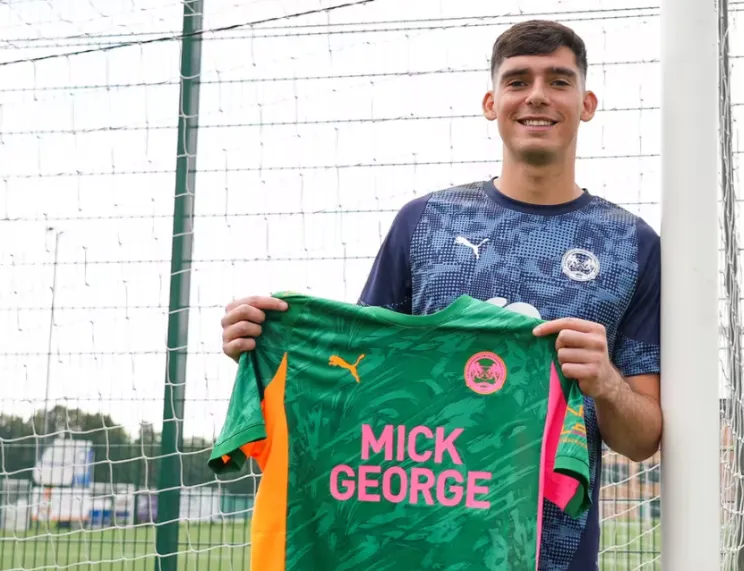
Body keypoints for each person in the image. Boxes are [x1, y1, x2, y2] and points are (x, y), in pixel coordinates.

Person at [219, 19, 662, 571]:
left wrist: (607, 384)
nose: (538, 97)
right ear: (491, 101)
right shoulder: (425, 222)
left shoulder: (631, 243)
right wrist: (270, 345)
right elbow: (359, 386)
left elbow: (643, 439)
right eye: (518, 81)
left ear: (587, 102)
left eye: (559, 81)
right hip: (422, 546)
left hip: (556, 553)